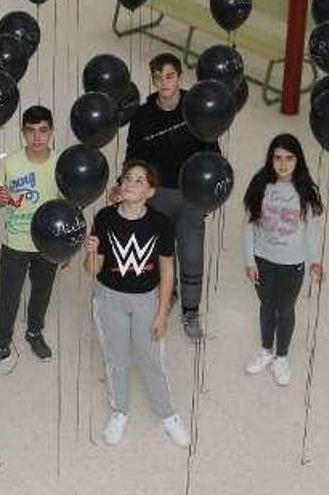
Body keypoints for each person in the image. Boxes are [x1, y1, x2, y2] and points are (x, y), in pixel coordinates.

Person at [84, 160, 190, 447]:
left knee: (151, 359)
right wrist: (91, 252)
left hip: (147, 300)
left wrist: (162, 313)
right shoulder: (104, 218)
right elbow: (92, 270)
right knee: (116, 359)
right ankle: (120, 411)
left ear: (151, 191)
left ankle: (167, 414)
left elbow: (168, 270)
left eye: (139, 180)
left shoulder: (160, 224)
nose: (130, 183)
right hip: (109, 299)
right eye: (127, 178)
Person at [123, 52, 221, 339]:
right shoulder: (143, 115)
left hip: (191, 194)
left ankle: (191, 311)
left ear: (179, 77)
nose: (164, 82)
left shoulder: (197, 107)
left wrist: (209, 195)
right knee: (163, 252)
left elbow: (212, 152)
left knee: (191, 253)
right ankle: (170, 292)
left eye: (169, 76)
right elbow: (134, 156)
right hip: (158, 195)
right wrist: (126, 187)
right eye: (158, 77)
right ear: (152, 79)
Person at [0, 105, 62, 373]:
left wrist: (66, 249)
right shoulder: (10, 163)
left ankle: (34, 332)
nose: (37, 137)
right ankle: (1, 344)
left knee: (41, 290)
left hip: (48, 244)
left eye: (43, 131)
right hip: (15, 242)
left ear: (51, 132)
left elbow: (69, 206)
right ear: (23, 132)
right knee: (8, 296)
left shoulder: (61, 163)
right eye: (31, 131)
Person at [242, 134, 324, 386]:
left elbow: (311, 231)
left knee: (285, 309)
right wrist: (250, 260)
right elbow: (249, 226)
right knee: (267, 305)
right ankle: (266, 349)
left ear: (298, 160)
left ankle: (281, 355)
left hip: (293, 264)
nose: (283, 163)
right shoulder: (259, 185)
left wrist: (315, 261)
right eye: (277, 158)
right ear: (271, 159)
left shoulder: (305, 193)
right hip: (263, 260)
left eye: (289, 158)